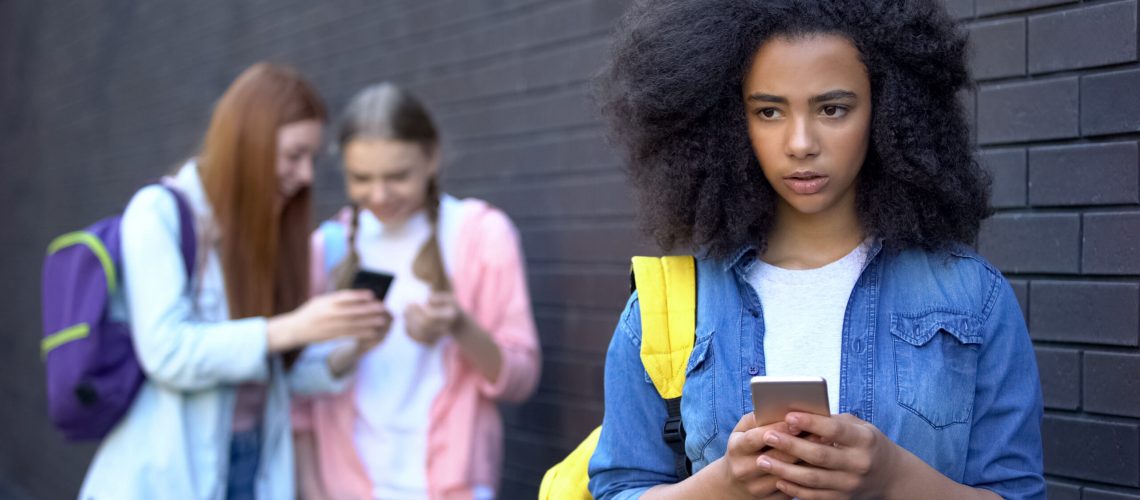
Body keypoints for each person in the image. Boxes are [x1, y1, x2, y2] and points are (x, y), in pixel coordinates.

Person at [587, 1, 1045, 499]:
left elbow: (1018, 492)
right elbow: (619, 488)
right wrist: (724, 486)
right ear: (727, 121)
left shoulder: (971, 298)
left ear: (890, 109)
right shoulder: (669, 307)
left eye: (832, 108)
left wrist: (892, 478)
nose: (800, 143)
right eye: (768, 111)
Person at [79, 62, 391, 500]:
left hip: (253, 464)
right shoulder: (160, 213)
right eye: (294, 155)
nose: (306, 176)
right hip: (170, 474)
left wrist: (347, 346)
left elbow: (270, 376)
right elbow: (167, 353)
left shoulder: (270, 230)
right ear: (251, 141)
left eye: (311, 159)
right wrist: (294, 327)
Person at [291, 82, 542, 500]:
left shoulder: (480, 236)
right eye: (361, 178)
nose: (379, 195)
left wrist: (460, 327)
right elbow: (298, 397)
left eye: (397, 176)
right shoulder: (327, 248)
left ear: (432, 157)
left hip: (454, 486)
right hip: (345, 487)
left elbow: (520, 380)